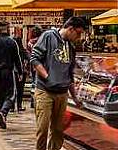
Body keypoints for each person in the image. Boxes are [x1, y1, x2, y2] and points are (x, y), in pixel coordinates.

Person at [30, 17, 87, 150]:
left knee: (58, 130)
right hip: (45, 92)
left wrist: (75, 97)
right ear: (70, 29)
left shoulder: (71, 47)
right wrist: (48, 77)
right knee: (42, 129)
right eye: (78, 33)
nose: (79, 37)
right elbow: (34, 59)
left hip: (62, 93)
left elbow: (70, 73)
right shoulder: (49, 36)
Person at [0, 21, 24, 129]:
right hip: (8, 71)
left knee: (0, 95)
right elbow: (17, 59)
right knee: (11, 95)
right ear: (8, 29)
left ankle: (1, 116)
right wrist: (20, 72)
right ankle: (3, 112)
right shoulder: (12, 42)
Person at [14, 34, 31, 112]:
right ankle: (19, 106)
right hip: (22, 72)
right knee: (20, 89)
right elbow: (30, 58)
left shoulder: (12, 51)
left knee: (13, 90)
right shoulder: (24, 51)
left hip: (13, 72)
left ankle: (11, 107)